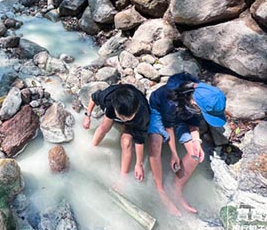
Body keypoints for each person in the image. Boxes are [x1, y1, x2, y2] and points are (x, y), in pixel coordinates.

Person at [147, 73, 230, 215]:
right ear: (194, 103)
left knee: (195, 154)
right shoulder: (170, 102)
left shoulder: (202, 94)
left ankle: (176, 190)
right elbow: (169, 128)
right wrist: (174, 153)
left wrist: (196, 142)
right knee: (155, 143)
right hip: (161, 113)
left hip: (182, 116)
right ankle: (160, 188)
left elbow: (194, 122)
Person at [83, 84, 150, 182]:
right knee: (104, 127)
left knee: (126, 142)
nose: (125, 120)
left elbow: (139, 140)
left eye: (127, 118)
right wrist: (87, 117)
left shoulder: (142, 115)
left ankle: (123, 177)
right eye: (123, 118)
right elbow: (93, 98)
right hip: (116, 106)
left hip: (134, 118)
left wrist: (138, 164)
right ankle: (92, 147)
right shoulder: (107, 97)